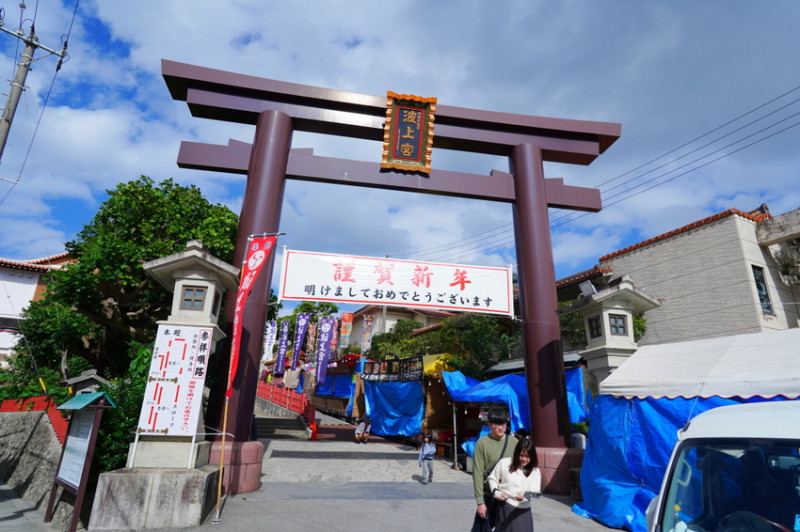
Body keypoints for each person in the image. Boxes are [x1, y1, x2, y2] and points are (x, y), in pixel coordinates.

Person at [471, 407, 518, 532]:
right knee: (480, 529)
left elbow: (520, 469)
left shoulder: (514, 442)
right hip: (489, 495)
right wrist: (480, 502)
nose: (501, 428)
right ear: (490, 425)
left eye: (503, 424)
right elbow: (478, 474)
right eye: (497, 424)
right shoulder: (482, 443)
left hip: (508, 496)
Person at [487, 437, 541, 531]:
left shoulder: (535, 471)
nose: (524, 459)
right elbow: (492, 478)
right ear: (516, 453)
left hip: (524, 511)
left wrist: (524, 497)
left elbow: (536, 493)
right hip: (505, 506)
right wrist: (497, 493)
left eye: (528, 456)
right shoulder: (504, 462)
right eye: (521, 455)